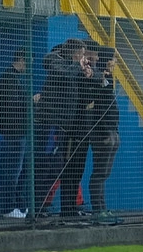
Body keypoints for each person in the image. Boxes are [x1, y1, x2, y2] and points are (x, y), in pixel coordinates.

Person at [35, 38, 90, 217]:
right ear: (74, 53)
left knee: (58, 165)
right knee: (46, 165)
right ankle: (36, 207)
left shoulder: (72, 68)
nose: (83, 58)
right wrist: (78, 67)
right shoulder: (55, 62)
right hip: (50, 123)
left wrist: (88, 71)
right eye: (81, 54)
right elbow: (64, 72)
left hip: (63, 125)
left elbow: (92, 75)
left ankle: (43, 205)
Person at [0, 49, 31, 219]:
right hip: (13, 133)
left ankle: (15, 205)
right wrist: (30, 101)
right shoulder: (9, 80)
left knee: (16, 171)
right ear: (20, 60)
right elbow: (12, 107)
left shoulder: (10, 79)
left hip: (13, 132)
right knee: (13, 171)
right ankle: (9, 207)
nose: (29, 66)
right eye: (28, 61)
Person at [83, 46, 120, 224]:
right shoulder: (98, 79)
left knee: (104, 174)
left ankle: (102, 208)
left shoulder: (108, 79)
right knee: (99, 173)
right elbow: (98, 109)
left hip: (111, 131)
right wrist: (106, 131)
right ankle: (97, 210)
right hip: (102, 132)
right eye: (113, 59)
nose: (115, 62)